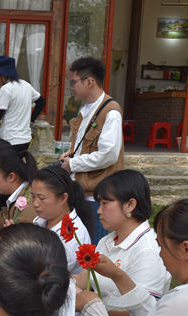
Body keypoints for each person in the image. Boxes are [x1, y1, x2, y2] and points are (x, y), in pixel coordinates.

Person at [74, 170, 170, 316]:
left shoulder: (148, 250)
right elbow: (82, 281)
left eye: (105, 203)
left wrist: (91, 305)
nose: (99, 211)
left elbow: (144, 314)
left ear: (130, 205)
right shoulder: (108, 241)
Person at [59, 57, 124, 243]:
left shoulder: (111, 112)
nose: (71, 87)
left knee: (94, 254)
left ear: (89, 82)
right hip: (80, 193)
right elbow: (85, 148)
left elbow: (108, 155)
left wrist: (74, 163)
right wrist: (70, 157)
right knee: (79, 249)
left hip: (98, 198)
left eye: (74, 82)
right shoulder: (85, 110)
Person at [30, 166, 93, 274]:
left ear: (63, 198)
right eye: (33, 197)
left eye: (41, 198)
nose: (35, 204)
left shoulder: (73, 235)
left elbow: (46, 274)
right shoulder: (42, 220)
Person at [0, 56, 46, 153]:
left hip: (10, 140)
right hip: (25, 140)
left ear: (3, 75)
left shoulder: (6, 89)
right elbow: (41, 102)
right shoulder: (26, 85)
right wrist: (32, 120)